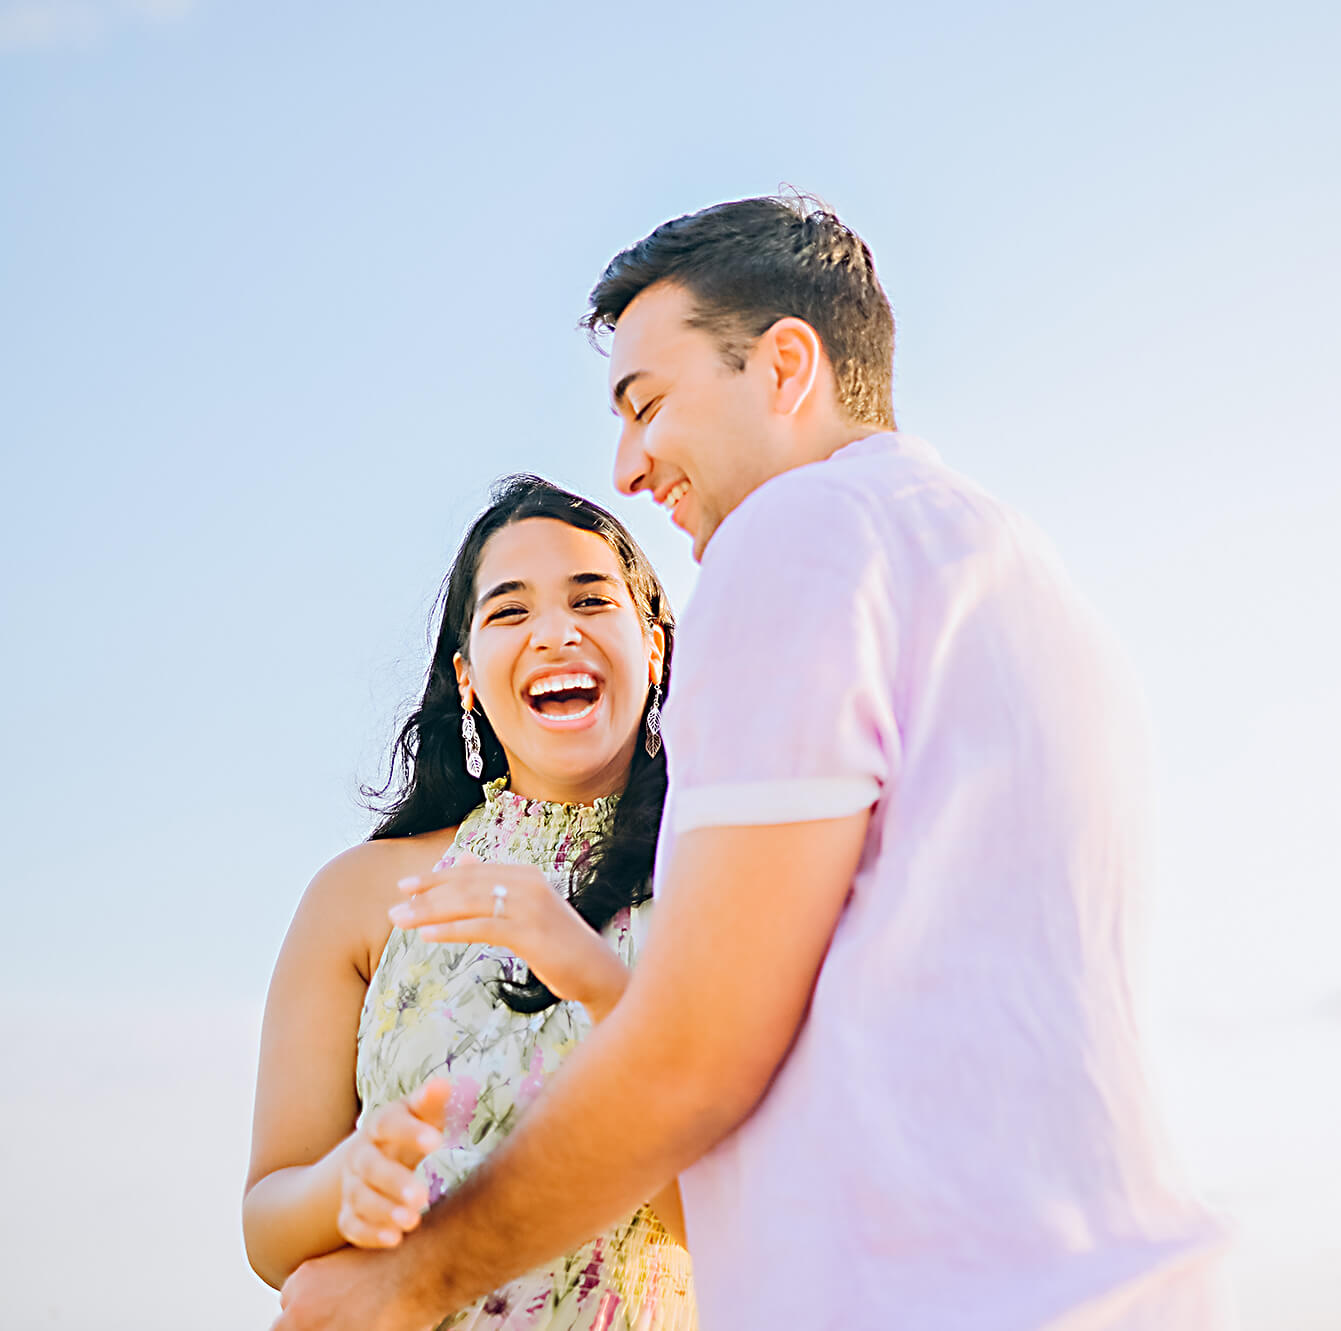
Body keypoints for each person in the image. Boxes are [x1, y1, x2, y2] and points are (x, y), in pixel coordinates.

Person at [273, 195, 1230, 1331]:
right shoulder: (1012, 565)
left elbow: (698, 1052)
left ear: (784, 366)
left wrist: (413, 1278)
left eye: (649, 403)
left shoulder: (800, 533)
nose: (628, 464)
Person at [245, 476, 696, 1330]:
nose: (555, 632)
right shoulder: (363, 894)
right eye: (510, 611)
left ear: (655, 648)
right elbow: (268, 1226)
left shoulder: (718, 878)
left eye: (591, 600)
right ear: (468, 678)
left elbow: (740, 1222)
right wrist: (345, 1183)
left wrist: (597, 981)